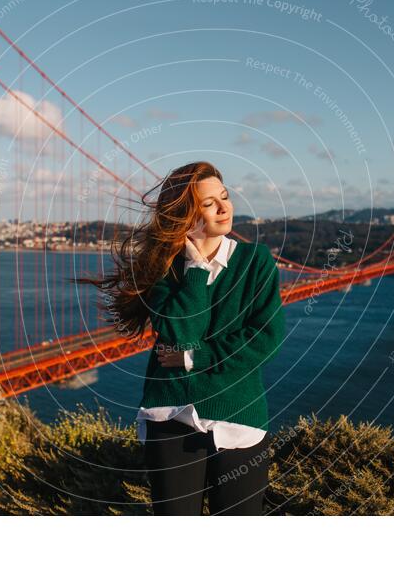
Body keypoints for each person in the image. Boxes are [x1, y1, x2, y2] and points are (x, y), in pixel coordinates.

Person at [75, 161, 285, 515]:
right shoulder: (166, 268)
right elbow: (179, 331)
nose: (224, 208)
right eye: (208, 203)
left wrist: (194, 358)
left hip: (239, 418)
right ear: (186, 215)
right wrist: (196, 269)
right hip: (169, 416)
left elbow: (267, 338)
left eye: (225, 197)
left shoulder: (256, 261)